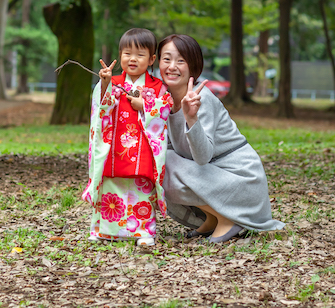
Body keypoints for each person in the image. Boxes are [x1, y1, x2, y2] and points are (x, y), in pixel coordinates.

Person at [158, 34, 285, 243]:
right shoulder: (165, 98)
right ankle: (212, 217)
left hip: (241, 180)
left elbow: (202, 157)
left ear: (193, 65)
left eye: (180, 60)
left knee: (165, 162)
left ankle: (228, 218)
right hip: (216, 177)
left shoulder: (202, 98)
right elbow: (169, 145)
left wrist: (192, 119)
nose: (172, 66)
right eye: (166, 59)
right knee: (157, 160)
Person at [82, 28, 173, 246]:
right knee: (110, 187)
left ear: (151, 59)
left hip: (142, 151)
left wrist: (146, 105)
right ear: (119, 54)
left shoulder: (157, 87)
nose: (132, 59)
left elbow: (166, 108)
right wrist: (105, 83)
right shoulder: (112, 82)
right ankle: (103, 230)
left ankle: (142, 232)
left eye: (140, 55)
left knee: (141, 190)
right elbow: (101, 108)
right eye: (127, 53)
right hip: (114, 149)